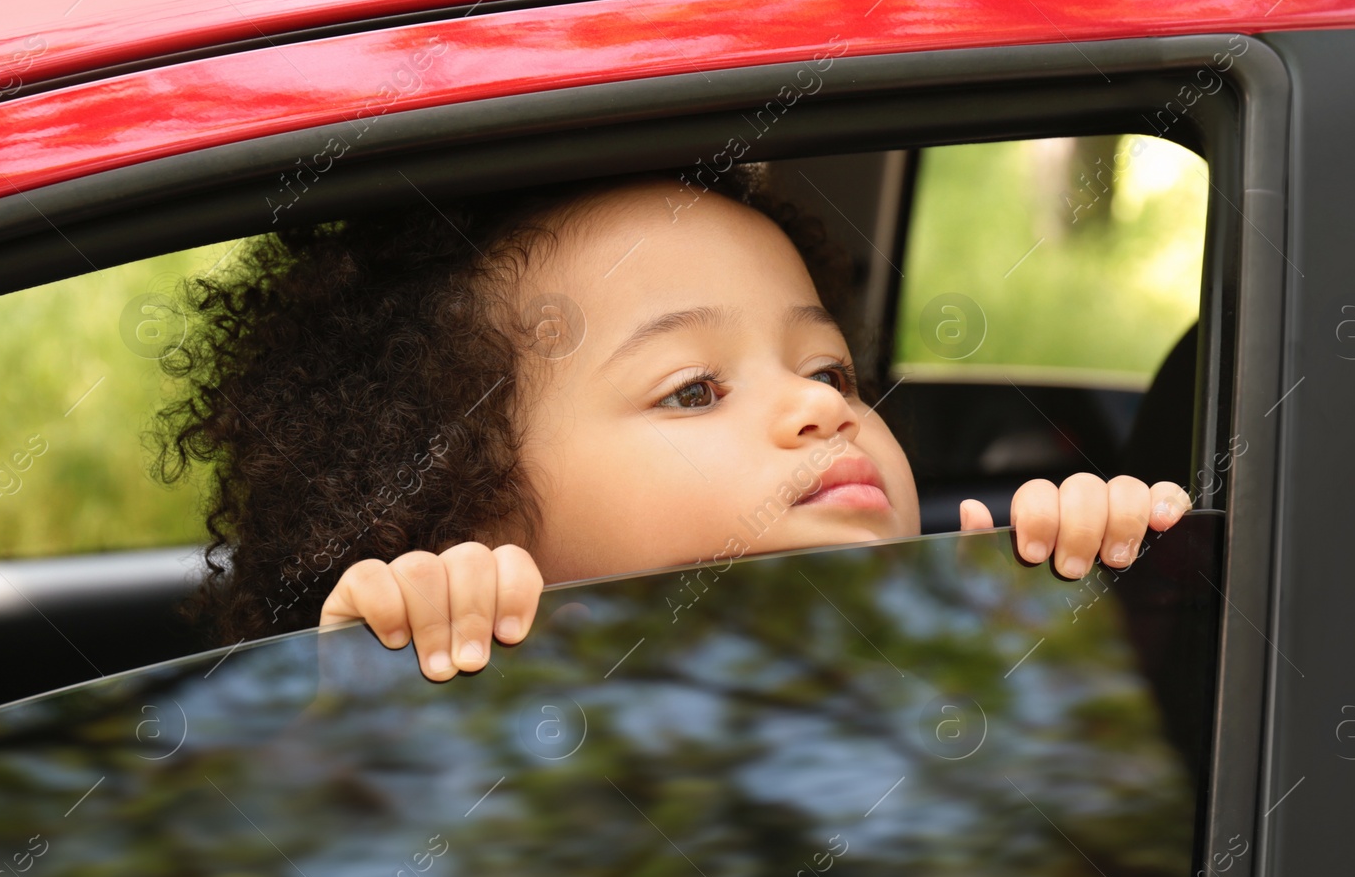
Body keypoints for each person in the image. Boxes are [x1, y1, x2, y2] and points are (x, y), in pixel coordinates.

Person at [157, 162, 1191, 683]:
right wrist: (375, 698)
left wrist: (1115, 615)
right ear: (477, 527)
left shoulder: (969, 655)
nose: (820, 404)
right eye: (695, 387)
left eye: (829, 365)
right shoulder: (477, 755)